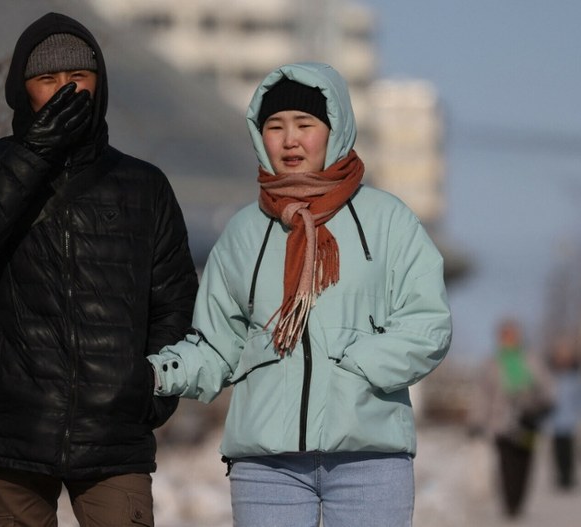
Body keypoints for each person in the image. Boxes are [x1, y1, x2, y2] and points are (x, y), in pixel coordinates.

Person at [147, 62, 452, 527]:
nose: (290, 140)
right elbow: (215, 345)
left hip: (369, 457)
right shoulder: (243, 233)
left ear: (335, 129)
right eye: (275, 126)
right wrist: (154, 373)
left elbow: (427, 323)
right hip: (266, 467)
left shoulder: (388, 220)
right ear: (259, 135)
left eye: (305, 125)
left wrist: (358, 363)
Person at [0, 12, 198, 526]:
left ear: (100, 84)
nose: (64, 91)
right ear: (21, 90)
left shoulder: (144, 186)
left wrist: (149, 391)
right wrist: (33, 154)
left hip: (114, 437)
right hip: (13, 430)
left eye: (78, 78)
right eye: (47, 80)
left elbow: (176, 301)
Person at [471, 317, 553, 520]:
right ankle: (509, 505)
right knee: (506, 464)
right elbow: (482, 396)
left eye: (512, 336)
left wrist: (542, 405)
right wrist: (476, 421)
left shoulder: (532, 360)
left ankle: (518, 502)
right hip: (501, 424)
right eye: (504, 336)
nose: (508, 340)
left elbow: (547, 388)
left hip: (529, 423)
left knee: (525, 462)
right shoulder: (491, 364)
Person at [545, 335, 581, 491]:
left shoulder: (577, 376)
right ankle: (560, 477)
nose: (563, 359)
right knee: (557, 451)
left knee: (571, 451)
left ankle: (569, 477)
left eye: (566, 355)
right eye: (561, 355)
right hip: (554, 421)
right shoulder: (551, 375)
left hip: (572, 421)